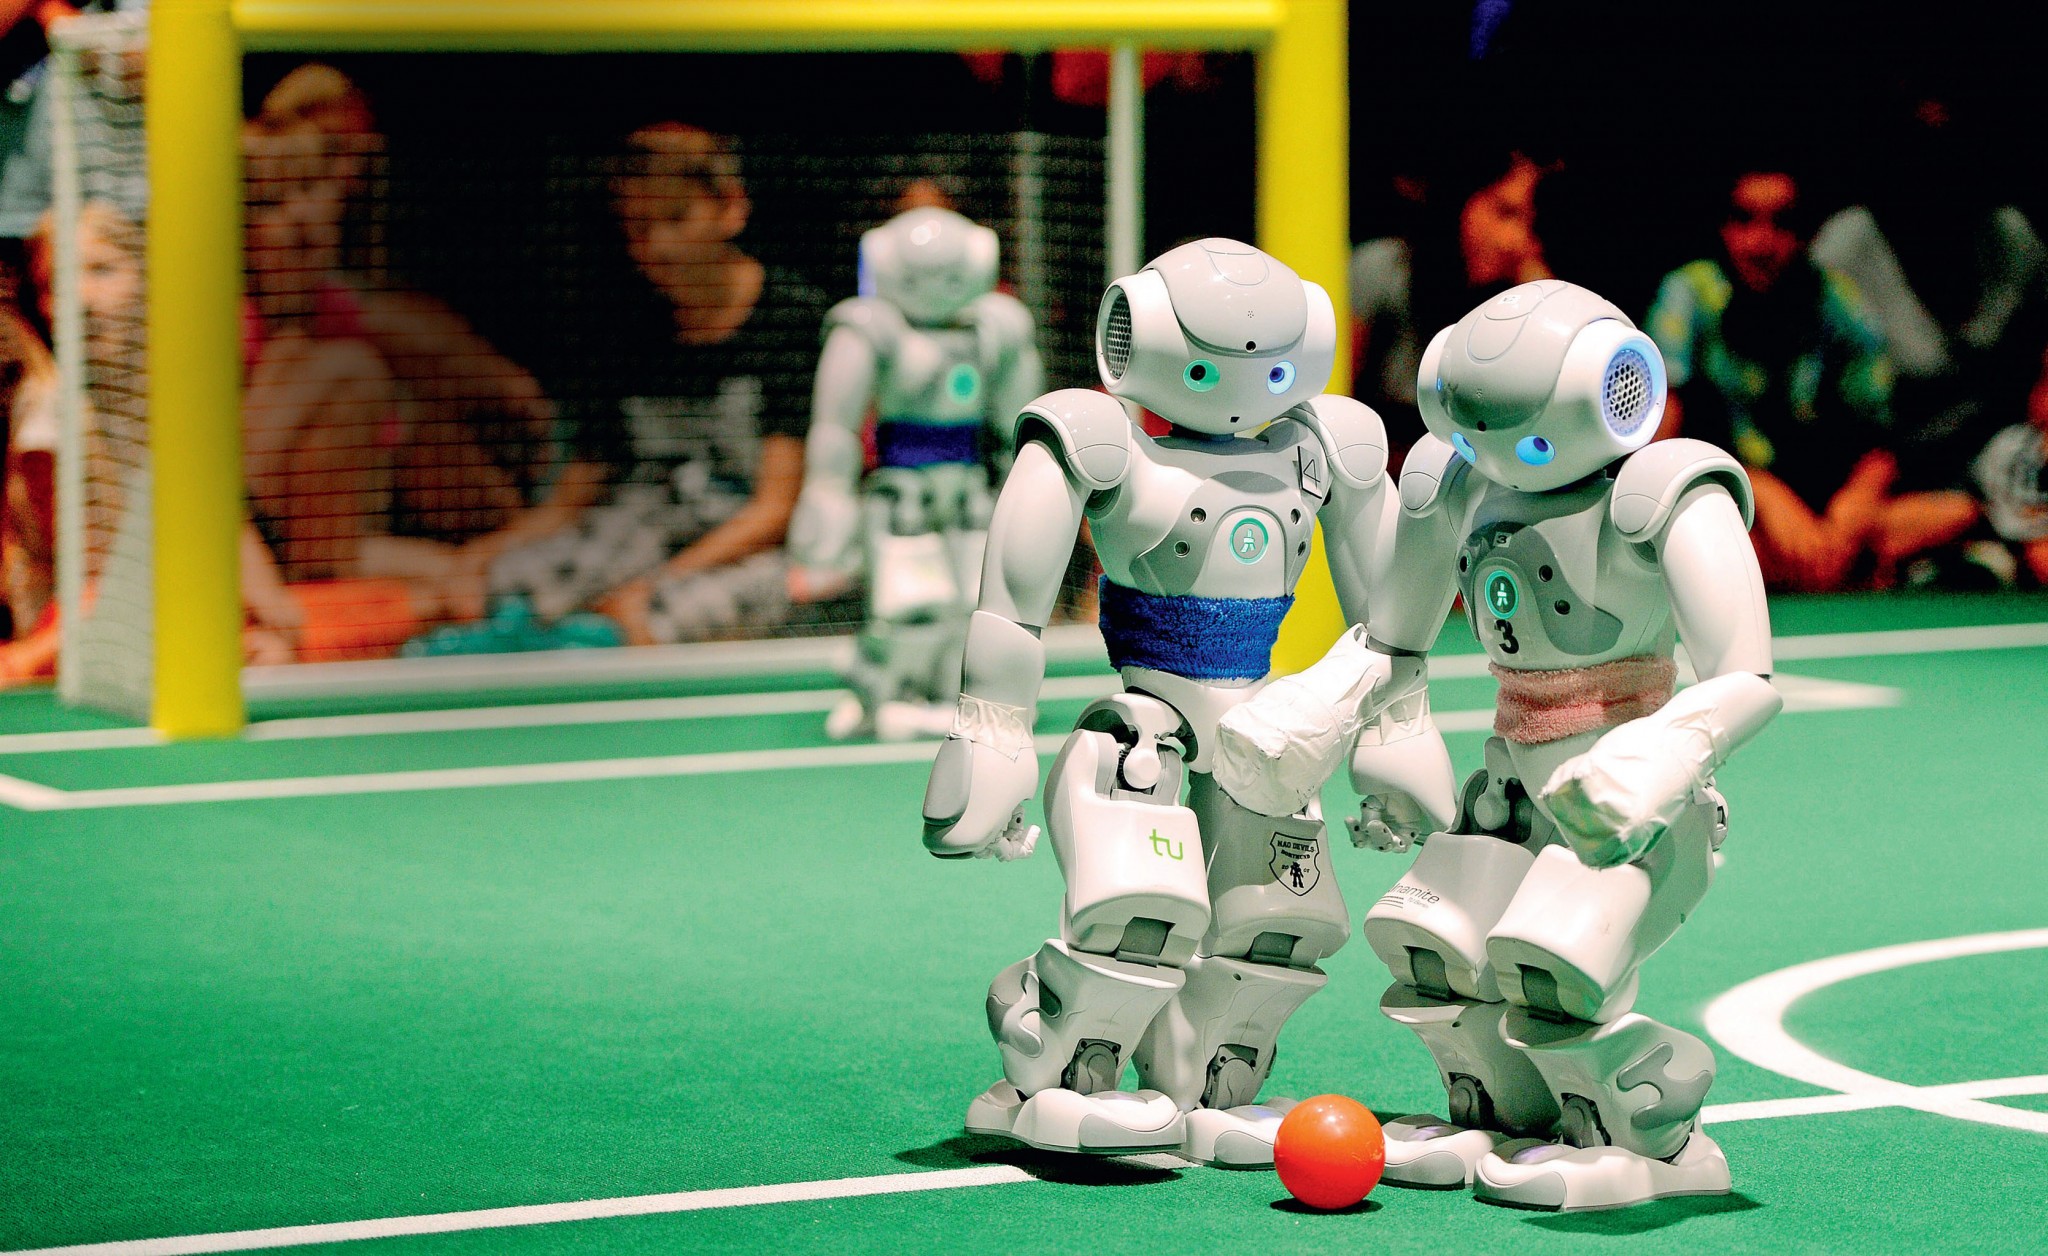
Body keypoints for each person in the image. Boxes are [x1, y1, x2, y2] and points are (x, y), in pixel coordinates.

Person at [473, 122, 829, 647]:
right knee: (496, 590)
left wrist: (657, 585)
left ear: (731, 208)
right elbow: (574, 495)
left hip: (749, 549)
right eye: (638, 228)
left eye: (676, 218)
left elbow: (775, 509)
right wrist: (477, 560)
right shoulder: (623, 330)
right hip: (637, 535)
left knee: (654, 623)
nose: (658, 246)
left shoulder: (792, 323)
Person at [1646, 169, 1977, 590]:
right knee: (1703, 543)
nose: (1761, 243)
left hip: (1818, 503)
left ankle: (1823, 562)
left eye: (1783, 223)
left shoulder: (1834, 297)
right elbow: (1660, 446)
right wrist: (1759, 490)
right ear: (1722, 227)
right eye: (1744, 220)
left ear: (1809, 233)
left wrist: (1853, 506)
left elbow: (1882, 436)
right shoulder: (1687, 294)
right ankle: (1835, 568)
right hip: (1721, 495)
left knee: (1960, 511)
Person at [1810, 98, 2048, 583]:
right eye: (1918, 153)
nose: (1935, 174)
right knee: (1834, 544)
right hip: (1878, 466)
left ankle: (1974, 536)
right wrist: (1863, 489)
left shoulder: (2010, 238)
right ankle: (1961, 541)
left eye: (1950, 152)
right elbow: (1815, 402)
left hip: (1996, 456)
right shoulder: (1845, 249)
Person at [1351, 151, 1552, 451]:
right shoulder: (1382, 268)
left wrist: (1542, 301)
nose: (1516, 240)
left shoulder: (1517, 296)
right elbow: (1332, 395)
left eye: (1529, 224)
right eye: (1505, 213)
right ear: (1459, 199)